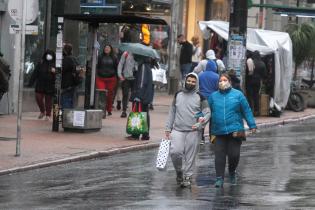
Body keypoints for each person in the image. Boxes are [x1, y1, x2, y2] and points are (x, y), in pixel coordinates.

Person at [207, 73, 257, 188]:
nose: (222, 82)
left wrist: (252, 125)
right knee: (219, 156)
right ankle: (219, 178)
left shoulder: (238, 95)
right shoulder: (213, 96)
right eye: (220, 80)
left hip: (236, 130)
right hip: (218, 131)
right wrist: (199, 119)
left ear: (229, 81)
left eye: (224, 80)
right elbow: (206, 111)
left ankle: (232, 171)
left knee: (234, 155)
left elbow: (246, 110)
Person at [165, 72, 210, 187]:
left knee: (190, 156)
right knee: (175, 152)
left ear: (196, 83)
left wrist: (200, 125)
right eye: (189, 81)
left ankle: (188, 177)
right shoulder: (178, 94)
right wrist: (168, 128)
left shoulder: (201, 97)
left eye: (193, 81)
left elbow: (207, 113)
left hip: (193, 131)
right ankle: (179, 171)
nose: (190, 83)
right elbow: (172, 112)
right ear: (185, 81)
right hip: (178, 129)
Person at [129, 54, 154, 141]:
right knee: (144, 114)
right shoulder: (147, 66)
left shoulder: (143, 66)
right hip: (146, 95)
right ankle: (145, 134)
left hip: (141, 95)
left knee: (138, 113)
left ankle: (136, 134)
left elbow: (141, 82)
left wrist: (138, 95)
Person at [29, 49, 56, 120]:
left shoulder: (55, 64)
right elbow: (35, 73)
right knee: (38, 98)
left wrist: (54, 72)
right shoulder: (40, 63)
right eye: (47, 54)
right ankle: (42, 111)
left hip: (50, 85)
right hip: (40, 84)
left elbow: (58, 76)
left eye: (50, 55)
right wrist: (31, 82)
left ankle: (48, 114)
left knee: (48, 100)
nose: (49, 56)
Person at [198, 60, 219, 144]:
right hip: (213, 99)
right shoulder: (217, 76)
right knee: (212, 120)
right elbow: (218, 88)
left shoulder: (200, 75)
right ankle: (212, 138)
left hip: (202, 99)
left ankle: (201, 138)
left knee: (202, 118)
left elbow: (197, 87)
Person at [96, 44, 118, 117]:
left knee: (109, 95)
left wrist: (116, 76)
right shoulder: (100, 57)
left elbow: (116, 67)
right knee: (101, 93)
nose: (107, 49)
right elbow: (97, 66)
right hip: (101, 78)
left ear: (111, 49)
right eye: (106, 48)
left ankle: (109, 109)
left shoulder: (114, 58)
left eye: (108, 48)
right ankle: (101, 109)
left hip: (111, 79)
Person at [117, 51, 137, 118]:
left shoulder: (139, 54)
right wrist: (120, 75)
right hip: (126, 78)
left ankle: (134, 111)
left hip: (135, 78)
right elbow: (121, 64)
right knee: (125, 94)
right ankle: (124, 111)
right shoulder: (126, 53)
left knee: (135, 96)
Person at [246, 50, 267, 116]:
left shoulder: (250, 62)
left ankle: (250, 110)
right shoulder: (262, 63)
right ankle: (256, 111)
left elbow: (247, 71)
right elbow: (264, 75)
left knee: (249, 96)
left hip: (249, 81)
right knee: (256, 96)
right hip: (257, 81)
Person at [61, 43, 81, 109]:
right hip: (74, 83)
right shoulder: (74, 59)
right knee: (71, 100)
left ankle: (66, 116)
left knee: (66, 100)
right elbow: (78, 68)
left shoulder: (66, 59)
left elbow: (62, 70)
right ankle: (70, 115)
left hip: (67, 83)